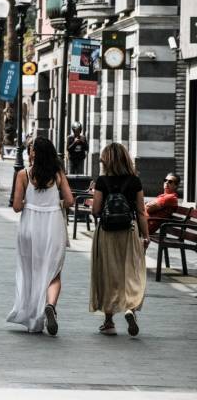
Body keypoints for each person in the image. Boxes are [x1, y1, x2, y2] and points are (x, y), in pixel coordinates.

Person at [7, 137, 74, 335]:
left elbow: (17, 207)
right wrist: (54, 204)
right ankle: (50, 305)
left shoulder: (23, 174)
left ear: (34, 153)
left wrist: (32, 202)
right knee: (54, 271)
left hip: (30, 226)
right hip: (53, 225)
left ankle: (32, 319)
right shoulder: (57, 173)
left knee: (31, 270)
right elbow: (69, 200)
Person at [90, 143, 149, 337]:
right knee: (131, 272)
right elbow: (141, 212)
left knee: (108, 274)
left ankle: (109, 323)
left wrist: (93, 199)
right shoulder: (135, 181)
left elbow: (96, 211)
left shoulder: (102, 181)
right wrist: (146, 236)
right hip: (129, 231)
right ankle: (130, 308)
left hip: (106, 233)